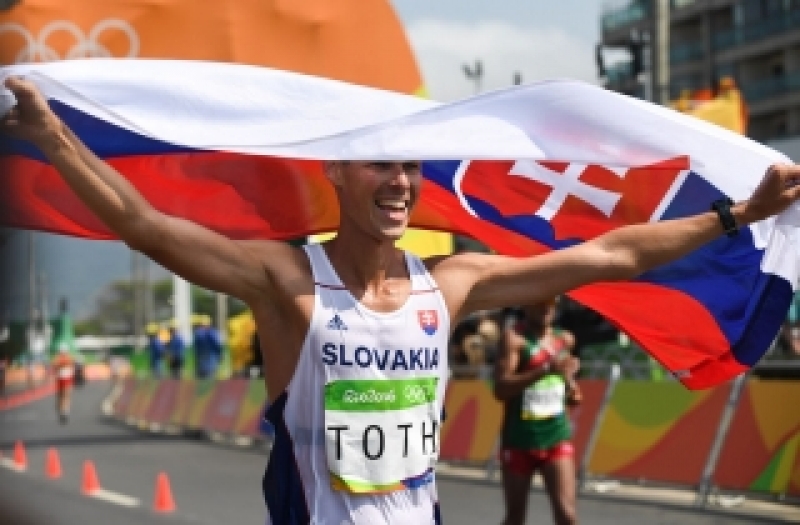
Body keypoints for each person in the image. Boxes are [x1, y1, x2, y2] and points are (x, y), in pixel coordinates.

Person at [3, 76, 800, 525]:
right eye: (379, 164)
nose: (400, 182)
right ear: (336, 172)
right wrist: (53, 137)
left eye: (411, 167)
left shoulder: (451, 283)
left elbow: (612, 254)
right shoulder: (284, 280)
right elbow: (144, 225)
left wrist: (737, 214)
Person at [493, 299, 582, 525]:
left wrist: (572, 391)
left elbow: (564, 381)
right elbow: (501, 389)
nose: (546, 308)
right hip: (519, 440)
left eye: (551, 303)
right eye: (540, 302)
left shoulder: (565, 339)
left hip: (556, 437)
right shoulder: (515, 339)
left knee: (567, 515)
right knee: (515, 518)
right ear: (526, 304)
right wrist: (545, 369)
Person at [51, 344, 76, 424]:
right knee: (61, 396)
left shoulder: (69, 358)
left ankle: (64, 412)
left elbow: (72, 367)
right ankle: (62, 411)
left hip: (67, 379)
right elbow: (54, 367)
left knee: (65, 395)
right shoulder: (58, 358)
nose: (63, 353)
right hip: (61, 379)